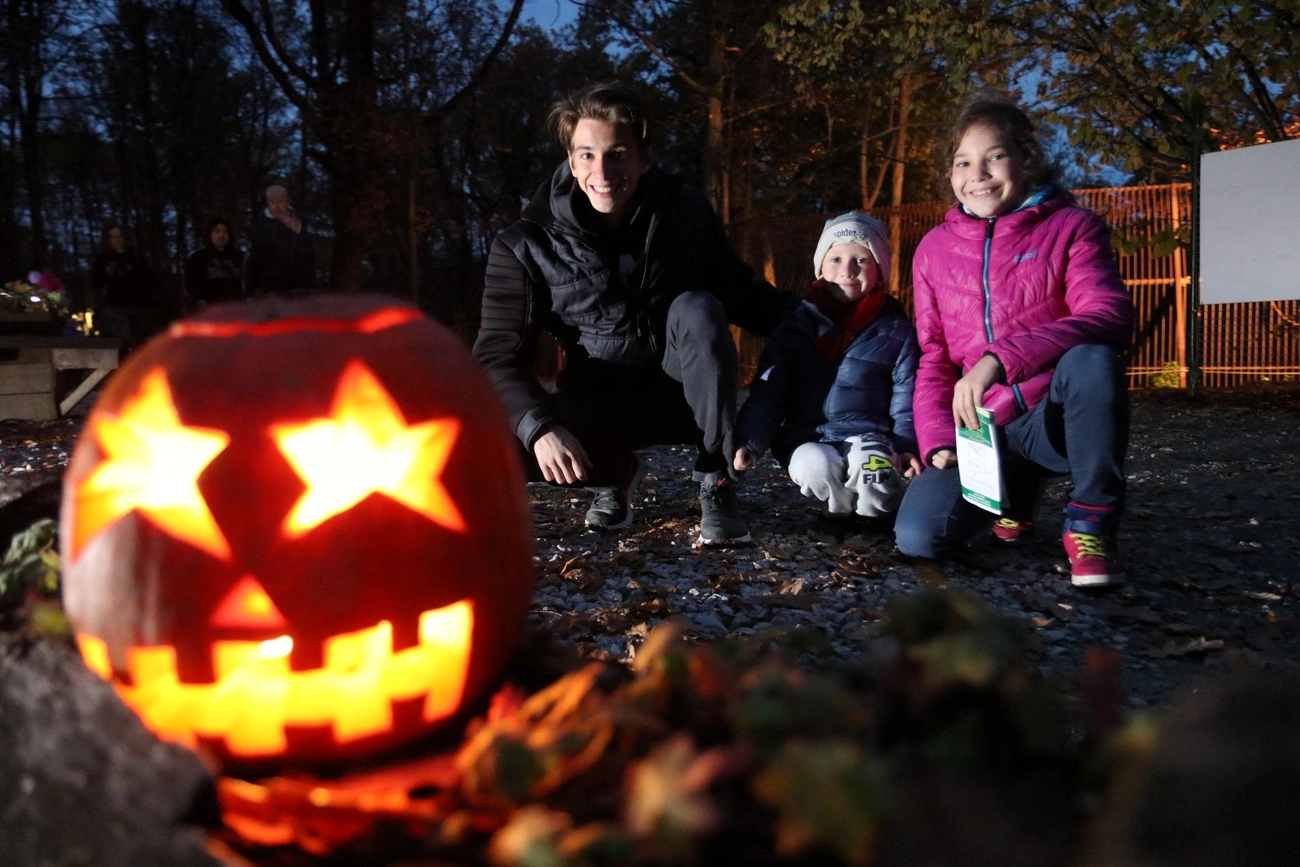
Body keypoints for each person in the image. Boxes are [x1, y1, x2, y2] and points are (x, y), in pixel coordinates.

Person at [472, 81, 793, 545]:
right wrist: (540, 427)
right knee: (493, 446)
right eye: (586, 154)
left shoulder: (684, 213)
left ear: (644, 159)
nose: (601, 170)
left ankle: (716, 480)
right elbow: (498, 357)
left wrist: (827, 320)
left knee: (699, 307)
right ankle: (614, 473)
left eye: (617, 154)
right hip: (599, 395)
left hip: (685, 391)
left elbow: (741, 294)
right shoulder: (526, 244)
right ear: (570, 158)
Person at [893, 94, 1135, 587]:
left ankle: (1090, 522)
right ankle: (1014, 496)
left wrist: (999, 359)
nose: (977, 174)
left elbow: (1108, 315)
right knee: (920, 537)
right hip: (982, 428)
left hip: (1051, 416)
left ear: (1026, 161)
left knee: (1093, 361)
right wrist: (938, 439)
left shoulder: (1072, 227)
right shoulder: (933, 249)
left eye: (995, 156)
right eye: (963, 162)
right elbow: (934, 357)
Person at [732, 212, 921, 522]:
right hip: (808, 435)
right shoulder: (796, 327)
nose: (847, 270)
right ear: (820, 267)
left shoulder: (894, 329)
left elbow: (907, 394)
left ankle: (878, 517)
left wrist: (905, 444)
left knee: (873, 470)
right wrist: (749, 439)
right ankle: (839, 514)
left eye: (861, 260)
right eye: (835, 259)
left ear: (879, 270)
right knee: (815, 466)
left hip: (871, 434)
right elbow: (769, 391)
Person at [90, 223, 159, 348]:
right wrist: (107, 273)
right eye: (113, 237)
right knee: (122, 343)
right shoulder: (103, 259)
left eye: (120, 236)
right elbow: (96, 282)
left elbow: (149, 279)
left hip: (138, 306)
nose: (117, 240)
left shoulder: (136, 256)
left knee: (140, 343)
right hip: (115, 307)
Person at [245, 185, 315, 295]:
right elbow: (254, 259)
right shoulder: (260, 227)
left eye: (281, 201)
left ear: (288, 201)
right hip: (272, 290)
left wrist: (299, 230)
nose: (277, 206)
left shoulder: (301, 222)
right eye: (272, 202)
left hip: (301, 289)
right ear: (268, 203)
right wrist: (250, 289)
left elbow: (312, 248)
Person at [184, 218, 245, 306]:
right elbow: (191, 285)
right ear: (210, 234)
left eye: (225, 232)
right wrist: (199, 301)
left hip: (237, 308)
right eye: (217, 231)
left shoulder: (240, 257)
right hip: (210, 309)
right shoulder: (198, 258)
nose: (222, 235)